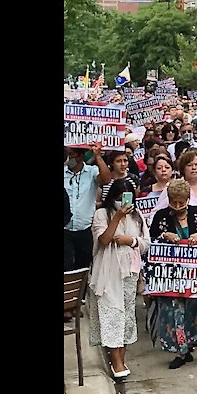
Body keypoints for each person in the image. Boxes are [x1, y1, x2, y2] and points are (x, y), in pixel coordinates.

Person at [147, 178, 197, 369]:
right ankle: (180, 350)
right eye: (174, 202)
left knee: (191, 313)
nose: (178, 206)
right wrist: (165, 235)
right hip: (171, 277)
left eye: (182, 202)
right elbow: (150, 240)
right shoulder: (161, 216)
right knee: (174, 313)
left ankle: (188, 346)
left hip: (195, 277)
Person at [88, 178, 150, 379]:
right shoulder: (102, 214)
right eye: (117, 198)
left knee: (125, 317)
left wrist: (130, 241)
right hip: (108, 272)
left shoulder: (137, 216)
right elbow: (104, 240)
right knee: (111, 314)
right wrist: (117, 218)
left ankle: (120, 360)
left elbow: (146, 243)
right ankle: (117, 363)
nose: (121, 202)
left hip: (130, 273)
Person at [65, 141, 114, 271]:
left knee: (84, 267)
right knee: (66, 267)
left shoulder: (92, 171)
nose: (69, 158)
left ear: (80, 156)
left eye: (72, 155)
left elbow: (106, 180)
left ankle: (82, 291)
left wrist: (98, 156)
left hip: (85, 229)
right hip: (65, 229)